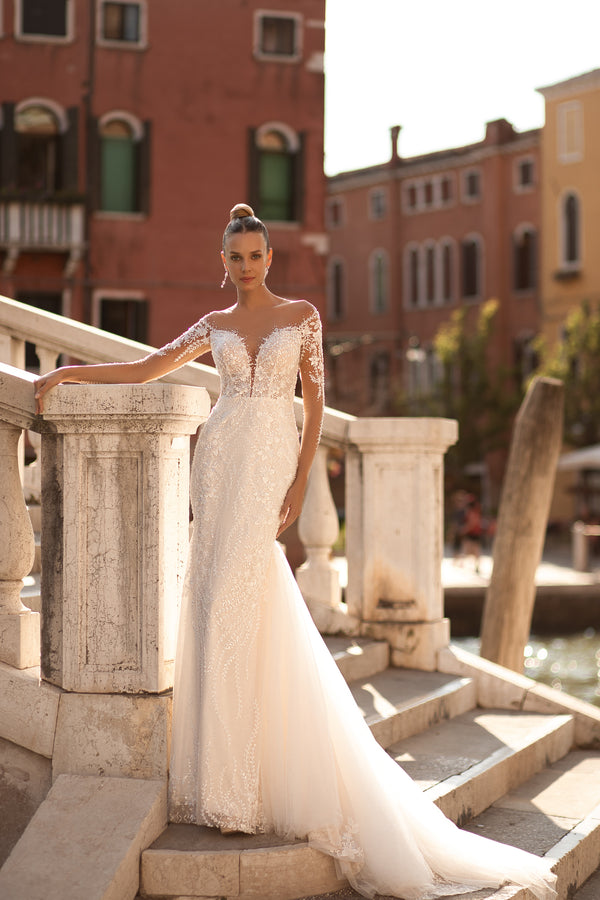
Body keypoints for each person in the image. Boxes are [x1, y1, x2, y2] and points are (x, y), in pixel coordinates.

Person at [34, 204, 557, 900]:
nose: (245, 266)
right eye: (235, 257)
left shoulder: (301, 316)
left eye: (255, 255)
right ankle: (218, 787)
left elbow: (314, 404)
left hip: (269, 463)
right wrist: (68, 376)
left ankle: (246, 786)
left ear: (269, 258)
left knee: (243, 606)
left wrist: (302, 480)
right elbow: (150, 367)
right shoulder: (214, 326)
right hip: (218, 461)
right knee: (213, 607)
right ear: (222, 262)